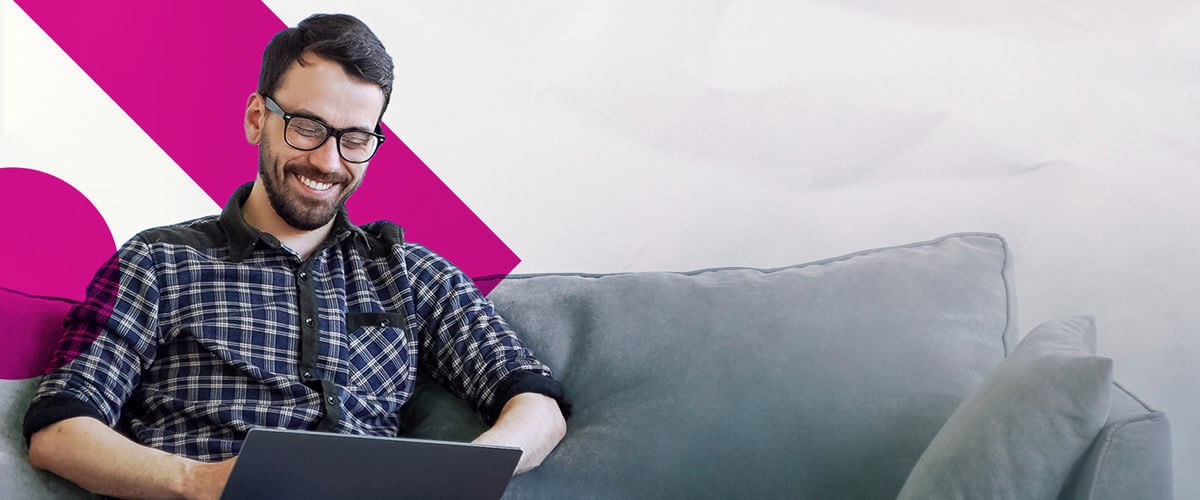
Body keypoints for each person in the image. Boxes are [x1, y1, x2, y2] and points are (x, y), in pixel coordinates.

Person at [23, 13, 567, 499]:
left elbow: (537, 406)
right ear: (257, 118)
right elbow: (60, 430)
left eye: (355, 138)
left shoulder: (413, 274)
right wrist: (197, 483)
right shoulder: (159, 262)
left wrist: (460, 474)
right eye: (307, 127)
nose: (329, 161)